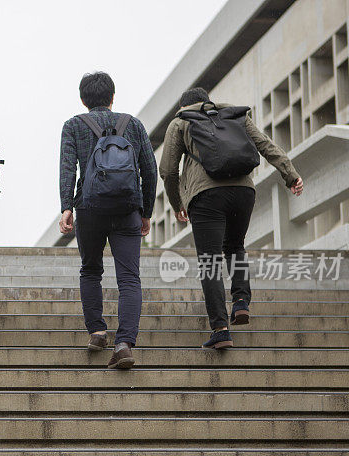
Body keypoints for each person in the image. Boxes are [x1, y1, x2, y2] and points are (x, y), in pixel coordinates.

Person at [159, 87, 304, 350]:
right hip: (243, 192)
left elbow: (168, 170)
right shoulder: (235, 115)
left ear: (185, 105)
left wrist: (176, 202)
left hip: (206, 196)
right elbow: (265, 145)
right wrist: (290, 174)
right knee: (235, 246)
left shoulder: (180, 122)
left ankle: (221, 329)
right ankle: (240, 302)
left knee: (210, 261)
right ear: (208, 102)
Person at [58, 72, 157, 369]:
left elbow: (67, 168)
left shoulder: (74, 125)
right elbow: (149, 170)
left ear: (83, 99)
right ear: (112, 97)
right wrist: (146, 210)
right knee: (129, 277)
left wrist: (66, 207)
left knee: (90, 270)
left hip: (89, 208)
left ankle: (98, 331)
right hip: (127, 207)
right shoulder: (133, 125)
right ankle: (124, 343)